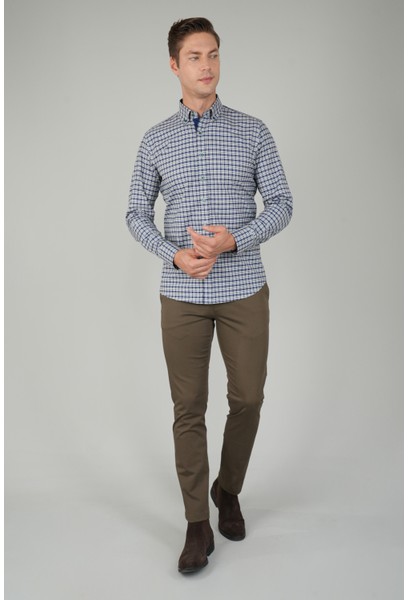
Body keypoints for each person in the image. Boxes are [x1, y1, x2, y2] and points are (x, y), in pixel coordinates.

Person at [126, 17, 293, 574]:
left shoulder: (253, 131)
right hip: (182, 293)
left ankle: (228, 488)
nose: (207, 65)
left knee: (248, 398)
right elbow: (135, 213)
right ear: (174, 65)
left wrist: (234, 240)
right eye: (195, 56)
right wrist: (173, 253)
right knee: (188, 407)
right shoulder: (155, 139)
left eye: (214, 54)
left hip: (243, 286)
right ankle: (197, 522)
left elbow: (282, 203)